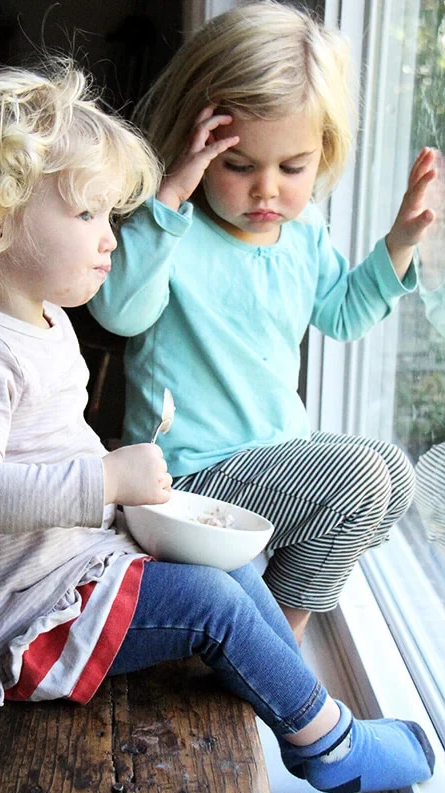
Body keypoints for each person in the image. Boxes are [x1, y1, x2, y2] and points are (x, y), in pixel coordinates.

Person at [0, 60, 434, 793]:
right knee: (208, 604)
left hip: (63, 566)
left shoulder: (36, 321)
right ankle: (327, 743)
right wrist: (107, 477)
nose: (109, 241)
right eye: (86, 216)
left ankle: (293, 694)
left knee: (226, 571)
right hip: (12, 624)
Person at [88, 0, 439, 643]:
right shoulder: (175, 230)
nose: (267, 190)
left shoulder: (302, 236)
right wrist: (169, 196)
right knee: (361, 475)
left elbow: (342, 314)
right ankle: (278, 640)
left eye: (293, 168)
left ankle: (264, 628)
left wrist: (402, 240)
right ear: (196, 146)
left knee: (393, 471)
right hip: (182, 481)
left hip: (267, 471)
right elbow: (118, 310)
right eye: (240, 165)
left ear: (324, 152)